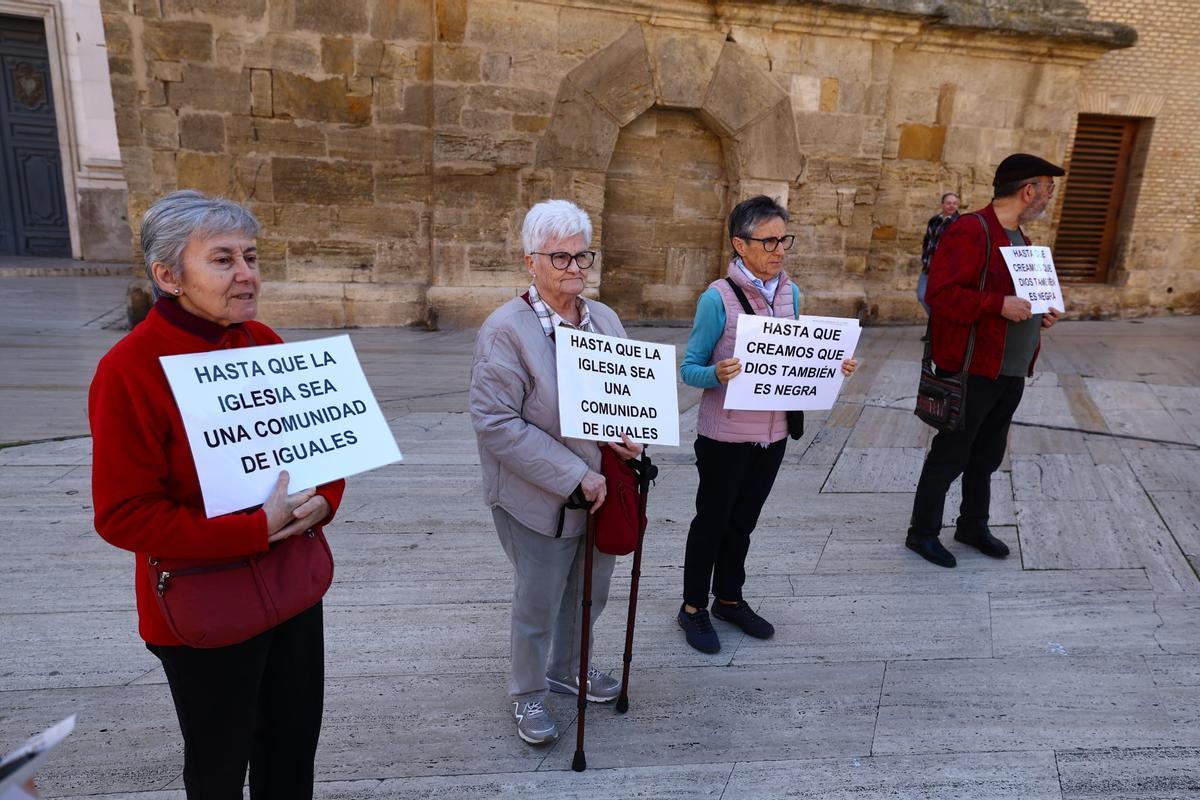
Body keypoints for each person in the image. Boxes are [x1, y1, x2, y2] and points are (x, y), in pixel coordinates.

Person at [89, 190, 346, 799]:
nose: (247, 274)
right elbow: (123, 515)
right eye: (224, 260)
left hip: (291, 589)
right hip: (203, 608)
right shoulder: (129, 369)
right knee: (219, 766)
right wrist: (252, 530)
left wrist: (325, 499)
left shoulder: (262, 339)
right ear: (168, 276)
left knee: (291, 750)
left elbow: (324, 451)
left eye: (251, 257)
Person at [470, 199, 643, 745]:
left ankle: (568, 667)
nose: (574, 268)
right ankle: (527, 692)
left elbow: (623, 395)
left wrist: (632, 431)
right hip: (536, 496)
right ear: (530, 262)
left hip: (603, 488)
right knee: (538, 600)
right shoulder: (505, 330)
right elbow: (495, 423)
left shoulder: (606, 319)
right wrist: (574, 474)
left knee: (593, 589)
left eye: (581, 256)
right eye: (560, 257)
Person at [676, 195, 857, 654]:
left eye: (784, 239)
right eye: (769, 240)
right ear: (740, 244)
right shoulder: (716, 298)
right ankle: (693, 607)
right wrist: (715, 374)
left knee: (744, 523)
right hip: (724, 436)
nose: (779, 249)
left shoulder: (792, 294)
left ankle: (730, 599)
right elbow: (689, 367)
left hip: (773, 435)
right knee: (712, 523)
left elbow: (796, 358)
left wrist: (833, 363)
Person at [906, 154, 1064, 568]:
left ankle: (972, 524)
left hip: (1010, 369)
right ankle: (921, 532)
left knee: (988, 452)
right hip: (974, 368)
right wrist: (998, 304)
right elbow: (939, 296)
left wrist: (1040, 316)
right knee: (953, 451)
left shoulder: (1022, 240)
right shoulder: (970, 230)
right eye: (1048, 188)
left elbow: (1019, 303)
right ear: (1028, 190)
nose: (1049, 196)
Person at [918, 192, 961, 314]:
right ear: (942, 204)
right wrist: (925, 259)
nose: (951, 206)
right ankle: (936, 325)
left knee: (942, 300)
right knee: (922, 295)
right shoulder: (934, 220)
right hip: (929, 268)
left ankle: (937, 328)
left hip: (946, 270)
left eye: (954, 203)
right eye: (948, 203)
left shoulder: (960, 223)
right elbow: (927, 241)